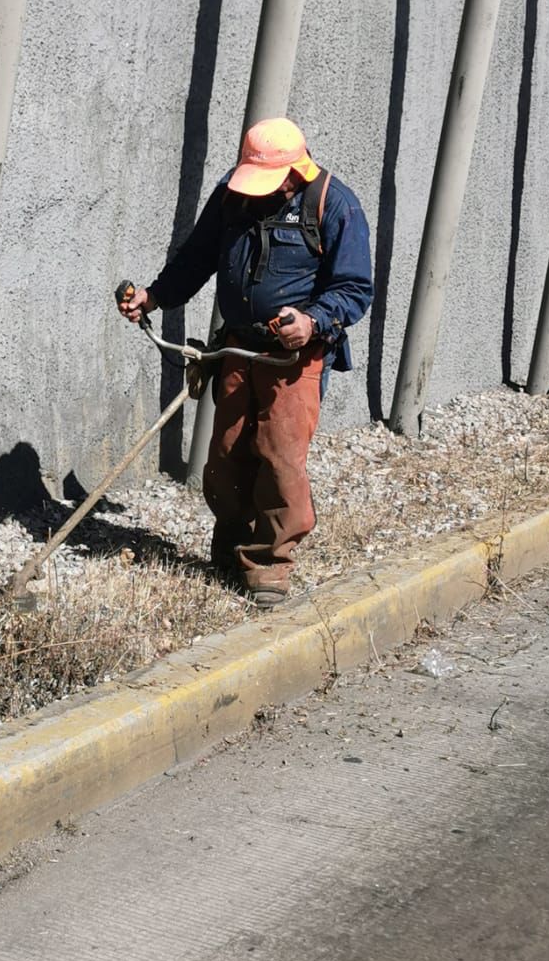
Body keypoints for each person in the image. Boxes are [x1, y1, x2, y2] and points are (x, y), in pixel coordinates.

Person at [118, 118, 373, 606]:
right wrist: (154, 296)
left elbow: (355, 288)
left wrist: (313, 321)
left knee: (280, 457)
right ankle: (232, 545)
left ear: (295, 172)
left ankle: (270, 562)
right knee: (227, 452)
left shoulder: (335, 205)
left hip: (293, 357)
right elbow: (197, 258)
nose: (258, 191)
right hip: (237, 348)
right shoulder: (232, 195)